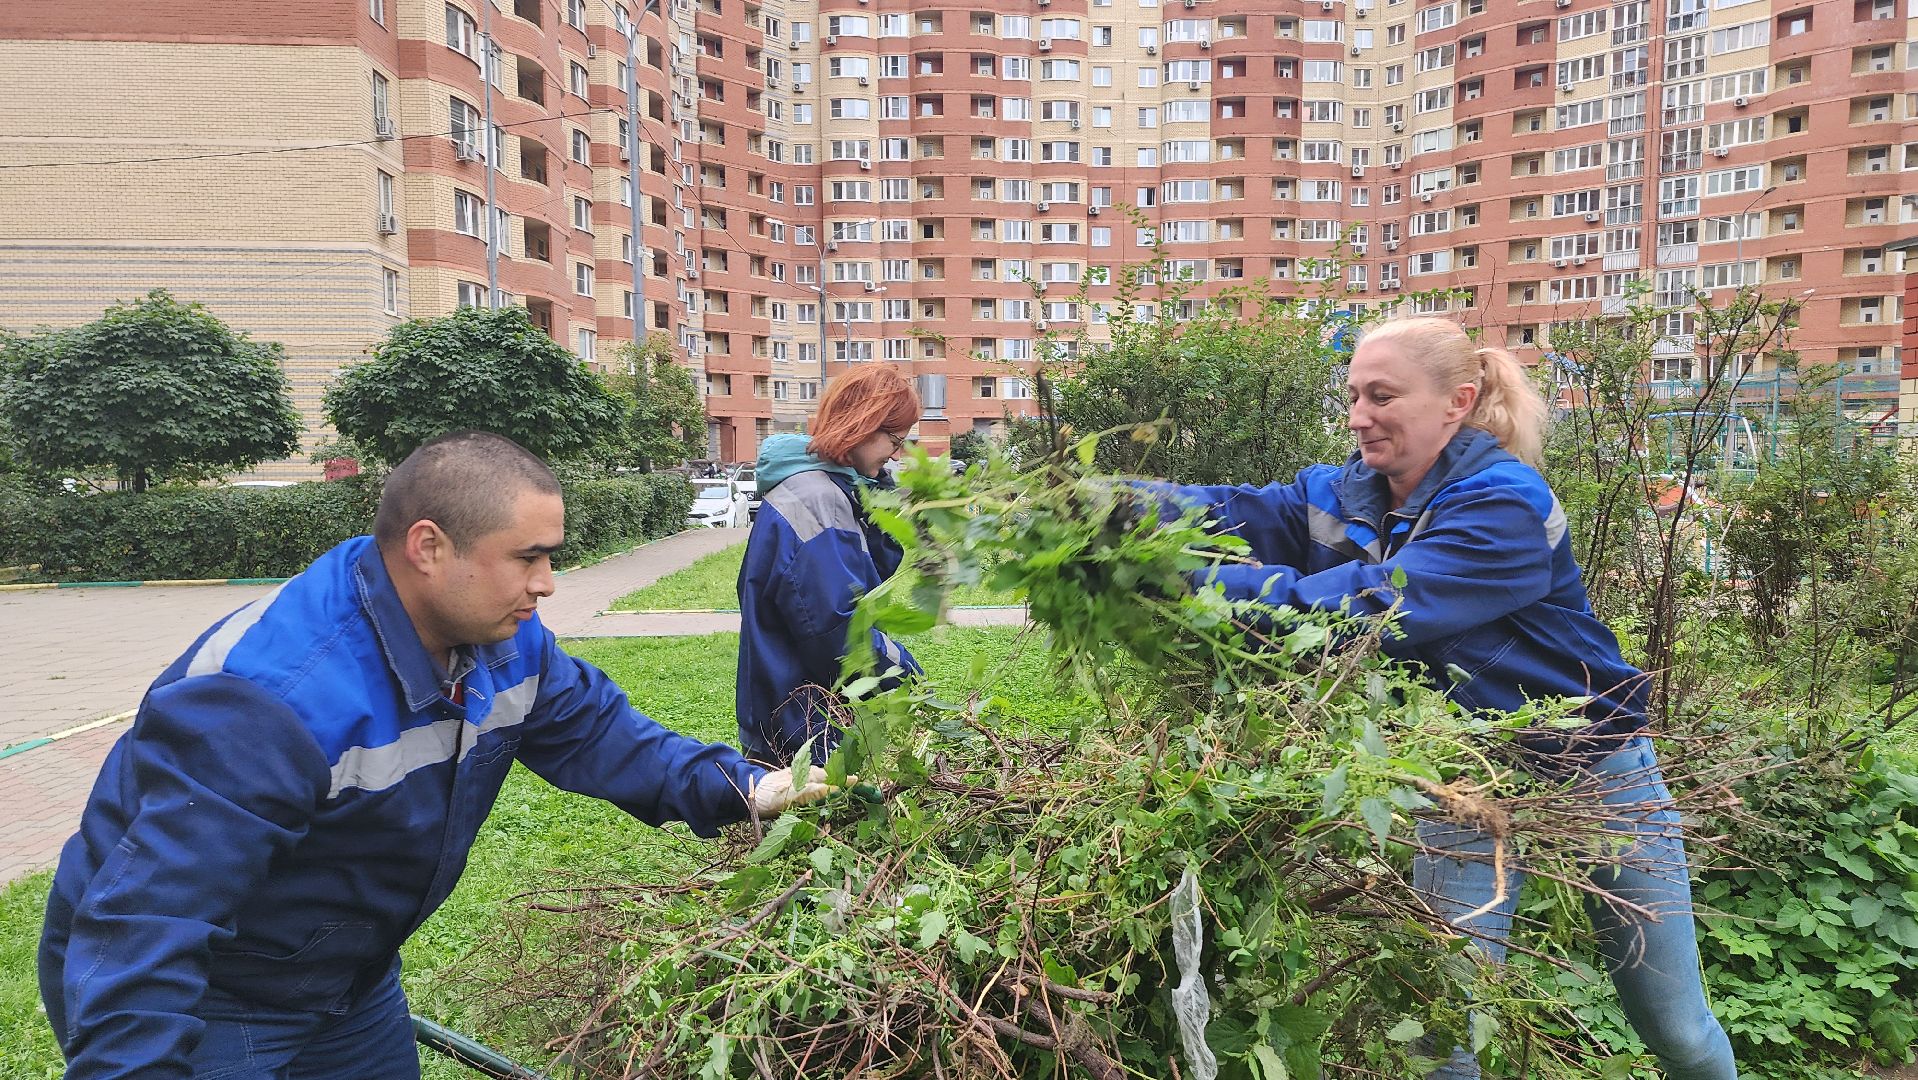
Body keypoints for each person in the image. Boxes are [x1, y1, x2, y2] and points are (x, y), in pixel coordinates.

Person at [38, 431, 834, 1080]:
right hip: (214, 992)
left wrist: (754, 787)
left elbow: (605, 736)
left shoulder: (504, 645)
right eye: (527, 557)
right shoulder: (273, 699)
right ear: (428, 547)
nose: (547, 584)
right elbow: (146, 927)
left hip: (347, 977)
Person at [1157, 317, 1735, 1079]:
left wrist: (1182, 581)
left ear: (1457, 402)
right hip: (1461, 782)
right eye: (1354, 395)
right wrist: (1116, 507)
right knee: (1443, 1037)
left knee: (1677, 1029)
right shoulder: (1343, 493)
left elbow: (1368, 607)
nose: (1359, 416)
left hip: (1594, 770)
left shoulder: (1505, 504)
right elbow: (1239, 510)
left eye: (1382, 396)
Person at [737, 365, 923, 765]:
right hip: (802, 730)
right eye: (895, 440)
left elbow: (868, 576)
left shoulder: (828, 486)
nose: (896, 454)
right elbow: (838, 630)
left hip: (800, 716)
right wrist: (908, 673)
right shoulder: (816, 499)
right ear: (863, 425)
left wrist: (878, 500)